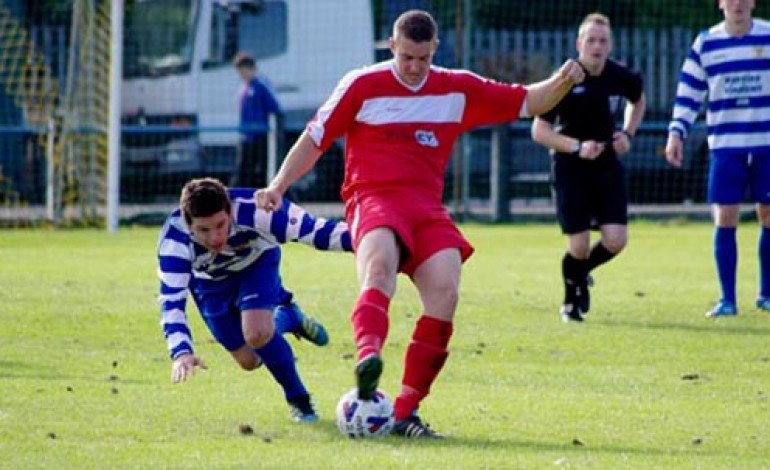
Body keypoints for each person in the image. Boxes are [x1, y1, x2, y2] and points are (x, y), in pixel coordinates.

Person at [255, 9, 584, 438]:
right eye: (406, 57)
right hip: (372, 198)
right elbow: (315, 138)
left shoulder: (456, 89)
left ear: (435, 51)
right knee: (379, 268)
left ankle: (406, 412)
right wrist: (278, 185)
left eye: (423, 59)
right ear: (392, 46)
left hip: (427, 208)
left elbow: (529, 100)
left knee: (446, 291)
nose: (414, 67)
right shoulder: (361, 84)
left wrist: (565, 78)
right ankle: (367, 358)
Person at [157, 177, 352, 423]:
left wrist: (374, 242)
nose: (215, 236)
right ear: (188, 223)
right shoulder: (174, 242)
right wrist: (181, 352)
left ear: (230, 211)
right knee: (249, 360)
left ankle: (299, 401)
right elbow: (171, 302)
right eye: (204, 230)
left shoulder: (259, 211)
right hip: (210, 284)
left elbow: (319, 232)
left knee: (257, 332)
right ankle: (288, 317)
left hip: (257, 264)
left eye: (221, 225)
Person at [531, 13, 646, 323]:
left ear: (610, 45)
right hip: (570, 167)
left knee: (616, 240)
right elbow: (539, 131)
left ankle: (581, 273)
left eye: (603, 40)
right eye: (591, 40)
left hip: (607, 164)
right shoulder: (565, 79)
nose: (597, 46)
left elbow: (638, 99)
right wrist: (577, 147)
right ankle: (570, 301)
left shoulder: (619, 75)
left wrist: (628, 132)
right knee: (579, 244)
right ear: (579, 43)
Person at [665, 0, 770, 317]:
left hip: (766, 143)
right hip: (726, 145)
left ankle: (766, 293)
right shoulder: (706, 43)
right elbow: (689, 91)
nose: (737, 4)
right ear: (721, 3)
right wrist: (676, 132)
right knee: (725, 217)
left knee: (768, 214)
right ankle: (728, 299)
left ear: (752, 2)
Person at [233, 52, 282, 188]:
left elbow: (275, 107)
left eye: (243, 71)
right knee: (243, 170)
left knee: (258, 171)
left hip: (259, 135)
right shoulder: (244, 87)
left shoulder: (260, 85)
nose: (241, 75)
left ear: (250, 69)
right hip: (246, 136)